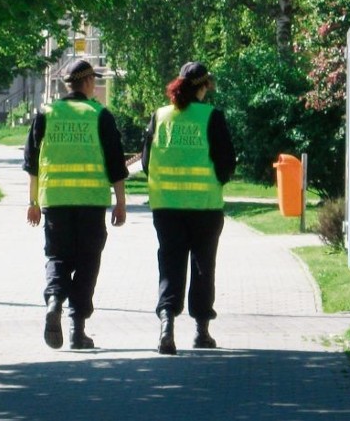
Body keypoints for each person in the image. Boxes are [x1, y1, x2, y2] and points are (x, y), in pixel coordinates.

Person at [23, 59, 128, 350]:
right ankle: (77, 329)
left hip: (54, 202)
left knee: (57, 257)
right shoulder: (99, 115)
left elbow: (32, 164)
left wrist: (32, 202)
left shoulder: (46, 114)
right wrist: (121, 203)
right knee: (87, 262)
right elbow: (116, 164)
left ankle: (54, 300)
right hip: (91, 203)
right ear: (89, 82)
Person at [142, 61, 236, 355]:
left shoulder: (160, 116)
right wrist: (217, 180)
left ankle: (166, 325)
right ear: (204, 86)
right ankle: (201, 331)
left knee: (170, 265)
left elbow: (145, 162)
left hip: (166, 207)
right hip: (204, 206)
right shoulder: (211, 117)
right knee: (203, 266)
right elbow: (226, 161)